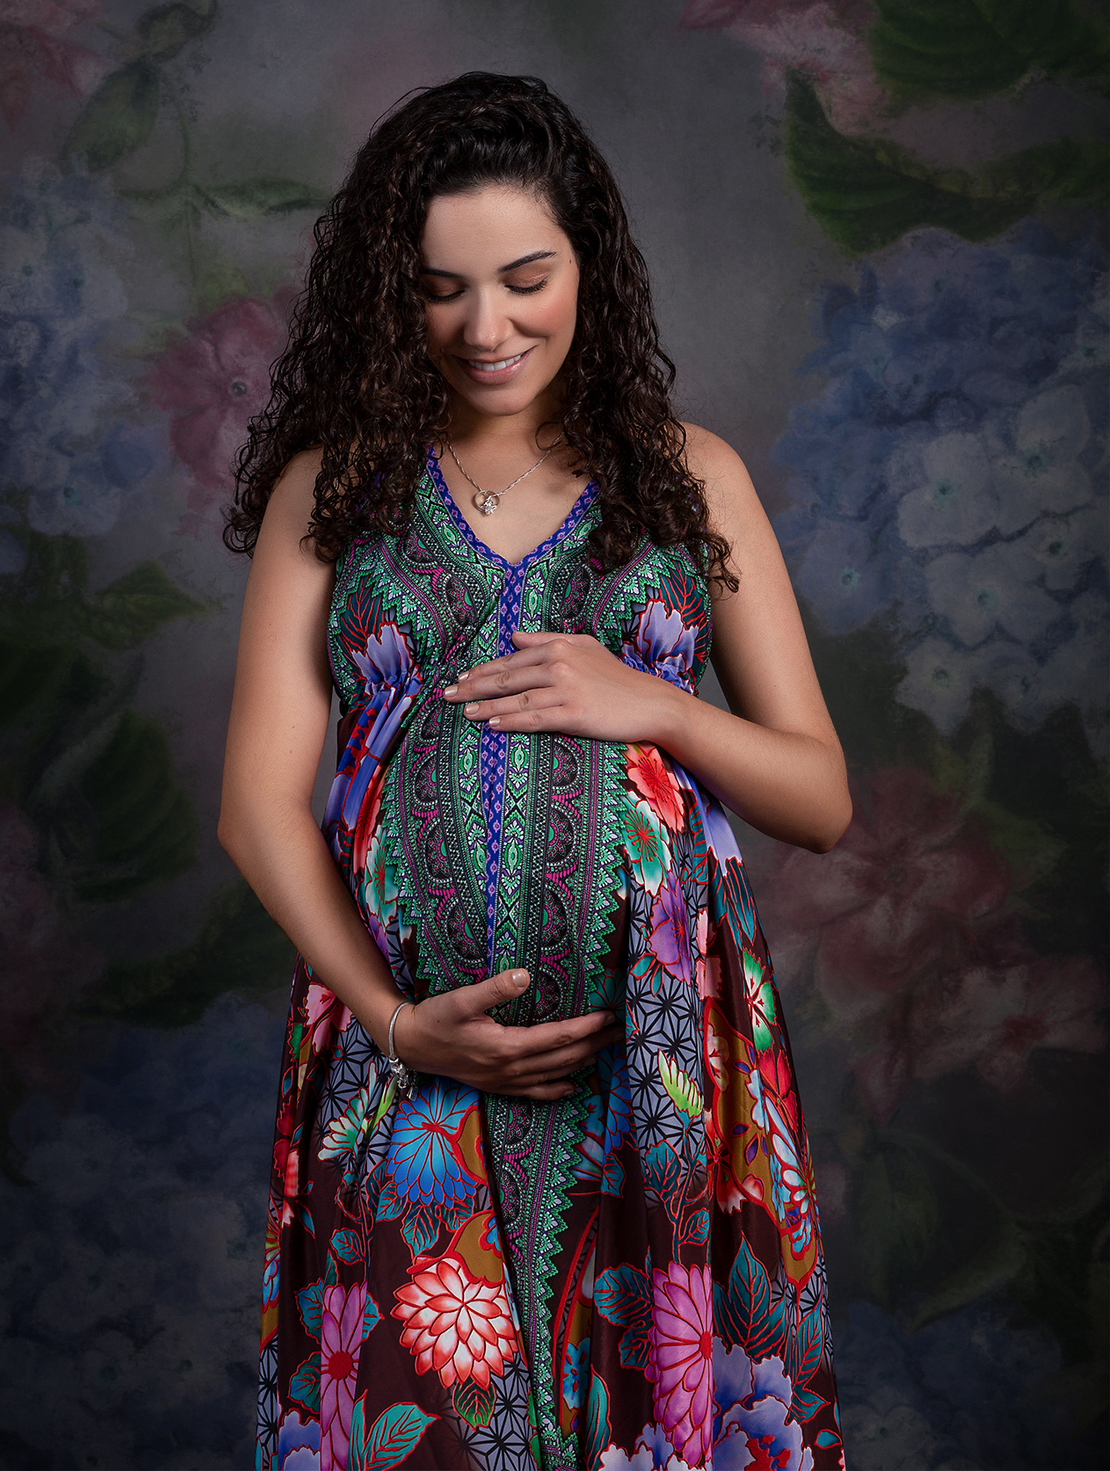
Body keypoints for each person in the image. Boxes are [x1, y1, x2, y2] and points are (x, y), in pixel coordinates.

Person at [220, 72, 852, 1471]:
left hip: (663, 1073)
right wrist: (397, 1021)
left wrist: (656, 707)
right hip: (412, 1072)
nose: (487, 327)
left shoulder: (690, 478)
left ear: (589, 267)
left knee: (659, 1411)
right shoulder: (333, 490)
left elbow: (819, 799)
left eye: (525, 279)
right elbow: (257, 809)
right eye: (440, 289)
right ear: (389, 293)